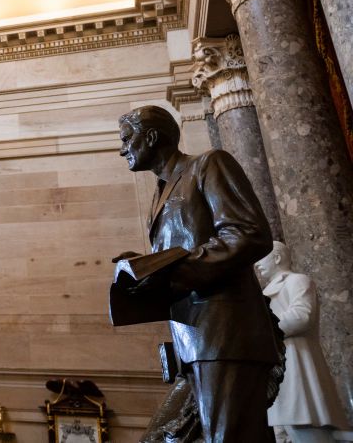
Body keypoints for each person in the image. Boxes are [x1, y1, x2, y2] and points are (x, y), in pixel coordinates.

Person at [116, 105, 278, 442]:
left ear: (151, 136)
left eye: (127, 139)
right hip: (191, 340)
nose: (122, 149)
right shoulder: (160, 191)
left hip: (224, 332)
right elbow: (185, 247)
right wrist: (145, 268)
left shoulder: (208, 164)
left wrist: (173, 271)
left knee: (229, 436)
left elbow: (248, 233)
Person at [256, 241, 349, 442]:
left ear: (278, 258)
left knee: (303, 422)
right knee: (282, 429)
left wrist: (263, 331)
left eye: (261, 257)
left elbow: (302, 316)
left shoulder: (297, 281)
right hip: (275, 366)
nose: (256, 264)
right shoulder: (261, 294)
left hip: (296, 361)